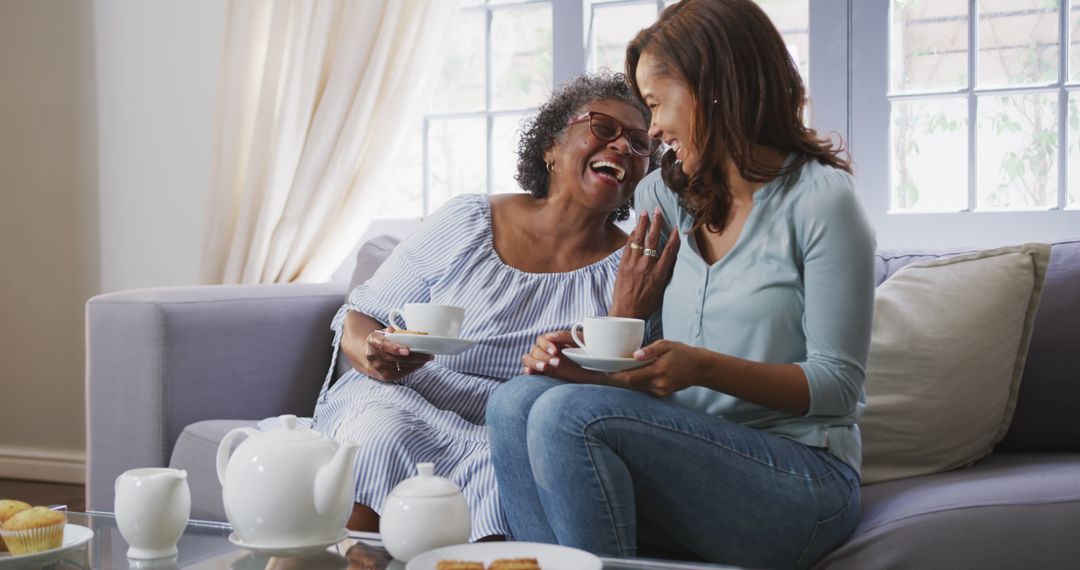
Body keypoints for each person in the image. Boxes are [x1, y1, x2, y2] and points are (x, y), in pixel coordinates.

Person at [486, 1, 875, 568]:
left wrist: (702, 367)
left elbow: (839, 386)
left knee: (565, 415)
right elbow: (655, 359)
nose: (654, 129)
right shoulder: (664, 198)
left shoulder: (821, 202)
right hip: (687, 449)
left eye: (655, 104)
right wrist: (588, 354)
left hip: (801, 476)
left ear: (713, 88)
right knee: (515, 400)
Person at [310, 72, 656, 542]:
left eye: (639, 143)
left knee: (506, 480)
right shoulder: (469, 220)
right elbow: (358, 314)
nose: (622, 147)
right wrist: (371, 350)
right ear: (551, 147)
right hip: (406, 396)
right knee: (379, 434)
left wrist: (624, 315)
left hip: (511, 428)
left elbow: (627, 395)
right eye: (602, 128)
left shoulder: (634, 266)